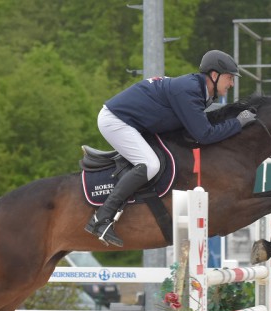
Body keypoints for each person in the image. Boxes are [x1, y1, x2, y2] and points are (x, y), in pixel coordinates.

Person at [85, 49, 257, 247]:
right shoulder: (189, 90)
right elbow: (204, 134)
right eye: (229, 78)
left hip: (132, 122)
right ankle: (102, 218)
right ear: (214, 75)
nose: (232, 84)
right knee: (150, 165)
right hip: (116, 121)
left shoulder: (197, 90)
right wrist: (238, 123)